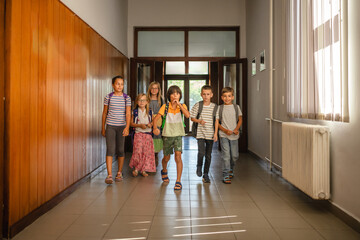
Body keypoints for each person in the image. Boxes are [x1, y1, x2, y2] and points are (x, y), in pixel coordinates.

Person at [152, 85, 190, 190]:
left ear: (180, 95)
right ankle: (164, 170)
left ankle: (178, 181)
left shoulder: (183, 106)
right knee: (166, 158)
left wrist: (179, 105)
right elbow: (155, 119)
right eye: (173, 93)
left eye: (177, 93)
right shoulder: (165, 107)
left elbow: (187, 115)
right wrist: (155, 128)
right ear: (169, 95)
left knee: (178, 156)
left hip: (178, 135)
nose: (175, 95)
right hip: (167, 135)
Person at [101, 75, 131, 184]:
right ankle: (109, 175)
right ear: (113, 85)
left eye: (122, 84)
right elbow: (104, 113)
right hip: (110, 126)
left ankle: (119, 172)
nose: (120, 86)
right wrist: (103, 127)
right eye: (117, 84)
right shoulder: (108, 97)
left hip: (122, 127)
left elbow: (128, 113)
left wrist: (127, 127)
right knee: (110, 149)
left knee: (120, 150)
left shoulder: (126, 98)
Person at [190, 85, 218, 183]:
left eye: (208, 94)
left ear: (211, 95)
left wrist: (215, 134)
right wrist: (199, 121)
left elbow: (216, 121)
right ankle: (199, 166)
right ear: (201, 95)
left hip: (210, 134)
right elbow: (192, 117)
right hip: (200, 133)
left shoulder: (215, 107)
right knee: (201, 153)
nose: (206, 96)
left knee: (208, 155)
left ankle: (206, 174)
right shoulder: (198, 105)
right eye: (204, 94)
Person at [216, 87, 242, 184]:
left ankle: (231, 168)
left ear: (233, 97)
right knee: (226, 155)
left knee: (234, 156)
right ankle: (226, 174)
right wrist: (225, 130)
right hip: (224, 135)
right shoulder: (220, 108)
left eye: (229, 96)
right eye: (225, 96)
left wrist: (236, 129)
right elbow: (217, 122)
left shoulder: (236, 107)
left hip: (234, 135)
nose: (227, 98)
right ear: (222, 97)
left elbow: (240, 119)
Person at [129, 94, 156, 177]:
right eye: (140, 100)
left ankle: (142, 170)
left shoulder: (150, 111)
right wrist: (140, 125)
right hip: (138, 134)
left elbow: (153, 121)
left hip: (148, 134)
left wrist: (151, 124)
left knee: (146, 152)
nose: (141, 102)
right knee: (138, 151)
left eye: (143, 100)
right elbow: (131, 123)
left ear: (147, 101)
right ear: (137, 102)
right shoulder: (135, 112)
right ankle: (137, 167)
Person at [146, 81, 164, 167]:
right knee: (148, 140)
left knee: (156, 140)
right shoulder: (146, 99)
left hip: (158, 123)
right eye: (152, 88)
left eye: (156, 88)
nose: (154, 90)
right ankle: (148, 160)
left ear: (158, 90)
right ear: (150, 89)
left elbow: (164, 112)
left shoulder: (161, 99)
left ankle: (155, 157)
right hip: (148, 122)